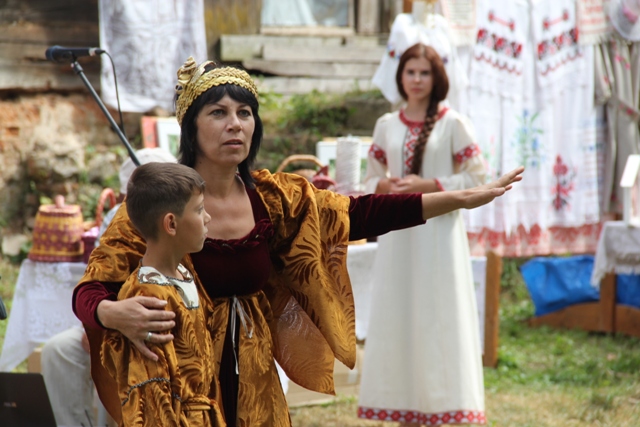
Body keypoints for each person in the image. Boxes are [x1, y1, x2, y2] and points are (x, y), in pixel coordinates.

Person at [72, 56, 523, 427]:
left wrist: (460, 198)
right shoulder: (162, 203)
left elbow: (360, 213)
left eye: (244, 113)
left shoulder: (275, 199)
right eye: (218, 113)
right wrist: (111, 313)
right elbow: (91, 288)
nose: (235, 125)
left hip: (254, 382)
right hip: (182, 388)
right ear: (191, 127)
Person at [357, 43, 487, 426]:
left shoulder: (454, 124)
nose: (416, 79)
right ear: (399, 76)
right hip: (397, 235)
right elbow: (369, 180)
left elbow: (478, 178)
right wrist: (388, 185)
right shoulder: (386, 125)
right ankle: (404, 406)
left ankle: (444, 407)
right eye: (410, 71)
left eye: (424, 72)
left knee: (439, 314)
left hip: (439, 236)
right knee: (399, 312)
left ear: (437, 78)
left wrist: (428, 185)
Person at [40, 147, 176, 427]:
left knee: (120, 356)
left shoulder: (179, 217)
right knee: (58, 350)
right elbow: (96, 278)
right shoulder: (116, 216)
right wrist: (97, 323)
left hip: (159, 322)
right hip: (113, 316)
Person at [102, 162, 225, 427]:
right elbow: (152, 396)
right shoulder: (148, 298)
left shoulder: (184, 274)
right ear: (171, 223)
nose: (208, 218)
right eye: (199, 209)